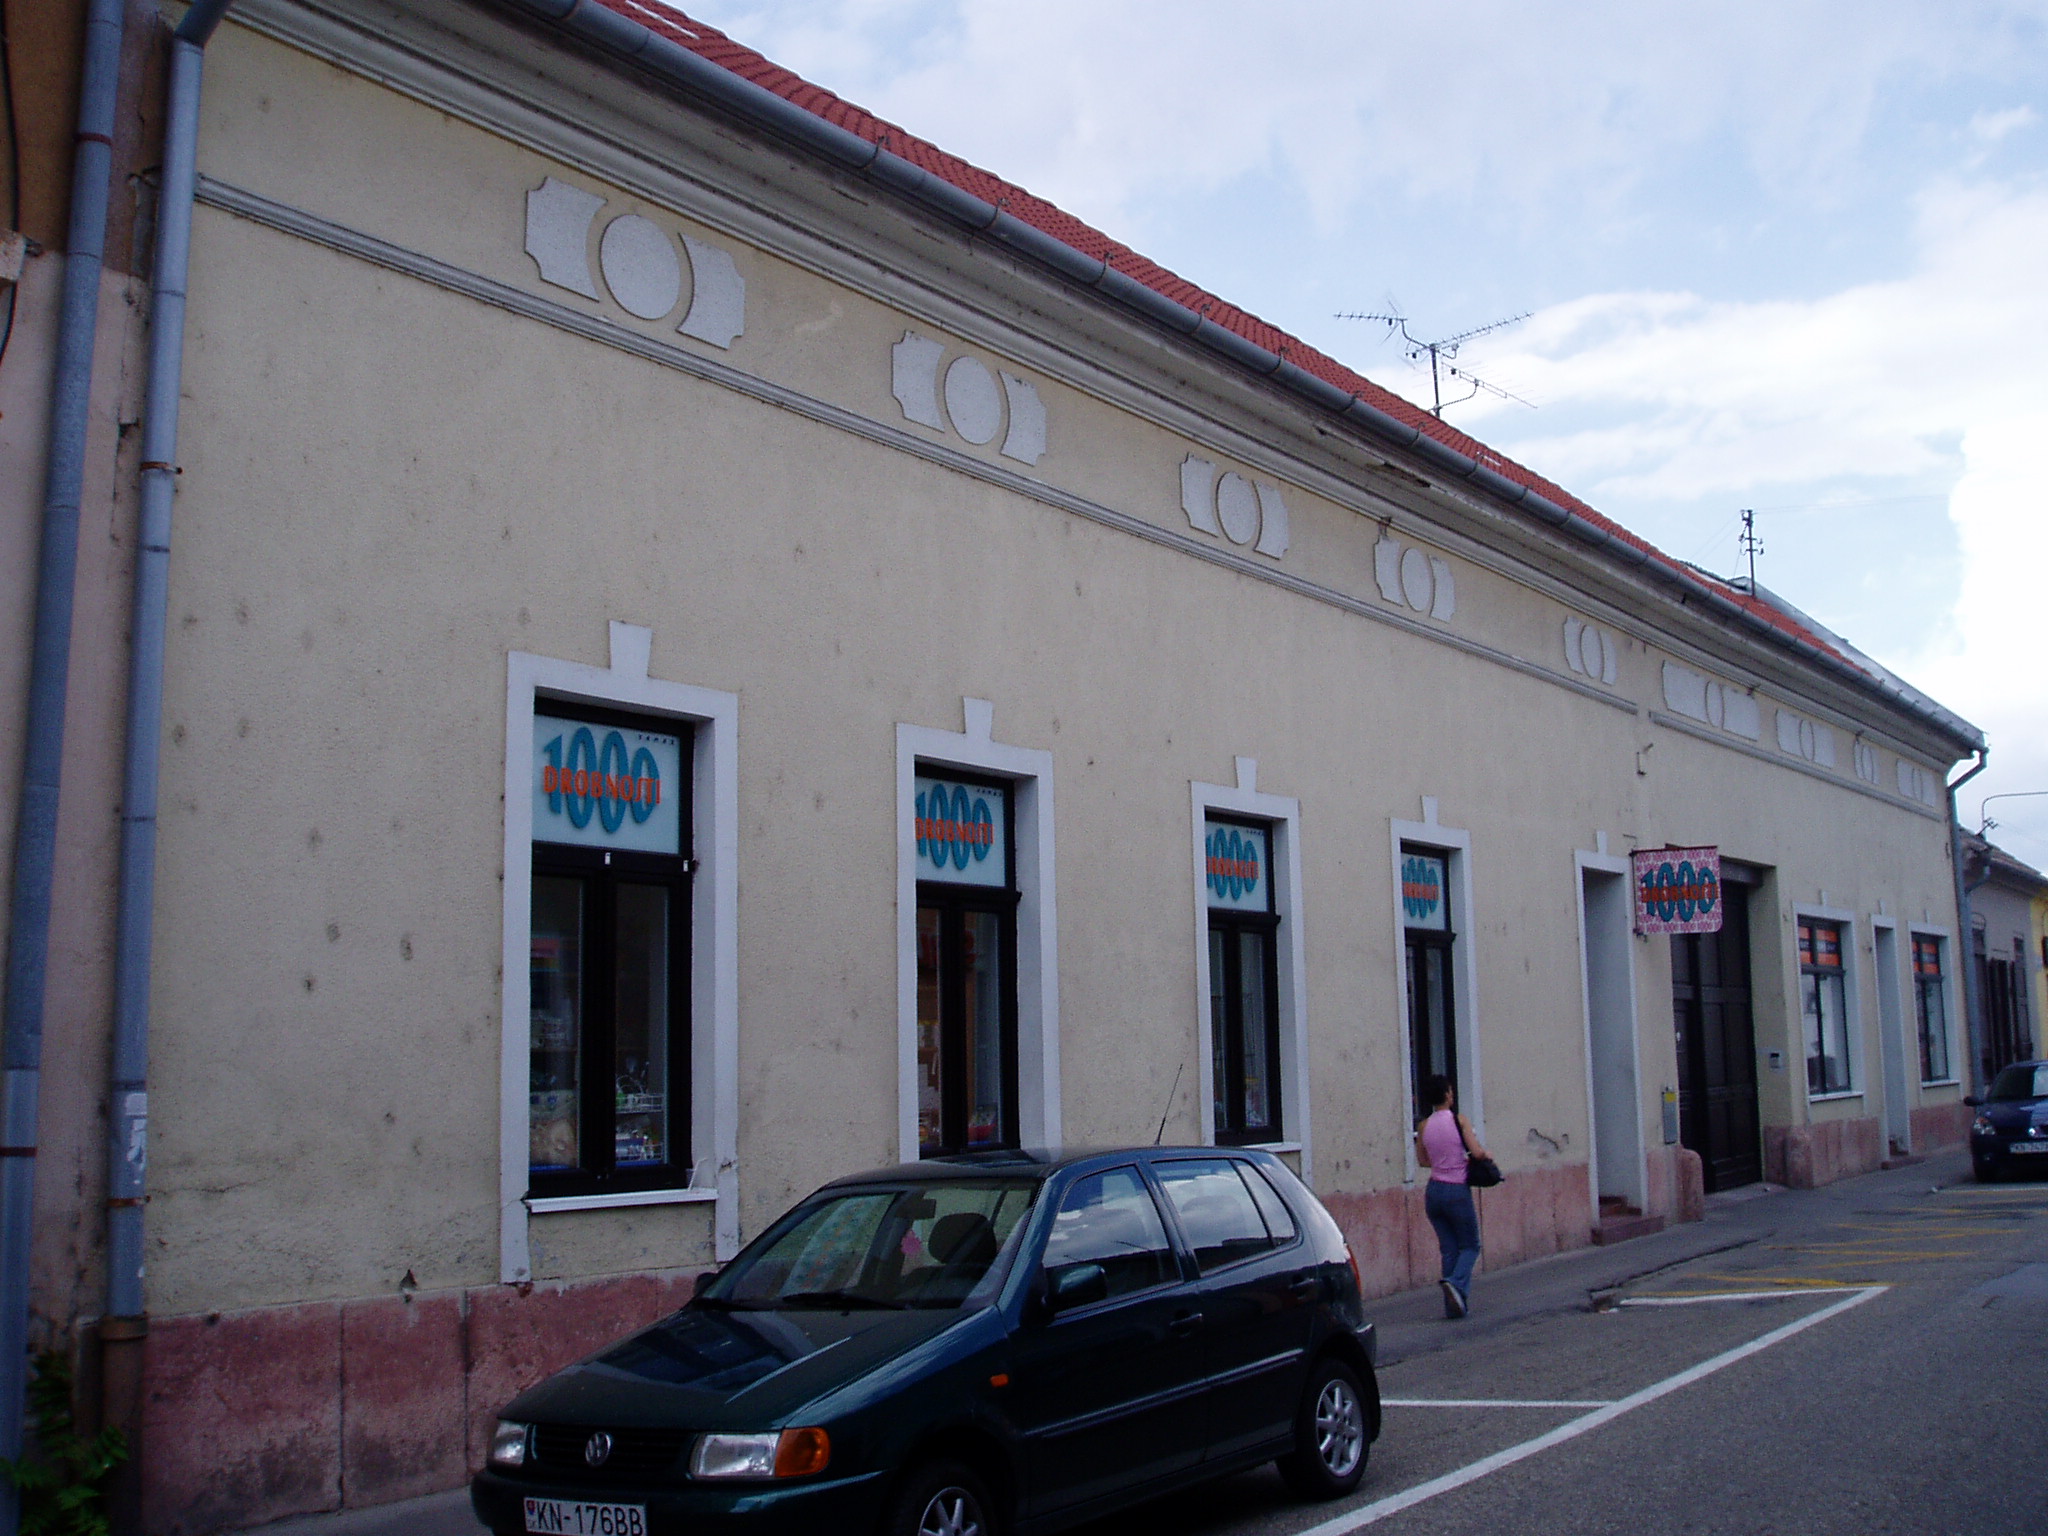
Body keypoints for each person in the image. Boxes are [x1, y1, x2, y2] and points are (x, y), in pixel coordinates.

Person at [1415, 1074, 1489, 1318]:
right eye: (1450, 1090)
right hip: (1456, 1190)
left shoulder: (1423, 1126)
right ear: (1447, 1094)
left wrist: (1442, 1162)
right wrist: (1485, 1155)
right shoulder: (1459, 1120)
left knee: (1449, 1250)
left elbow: (1422, 1160)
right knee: (1470, 1245)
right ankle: (1456, 1284)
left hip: (1434, 1191)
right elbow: (1476, 1152)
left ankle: (1454, 1306)